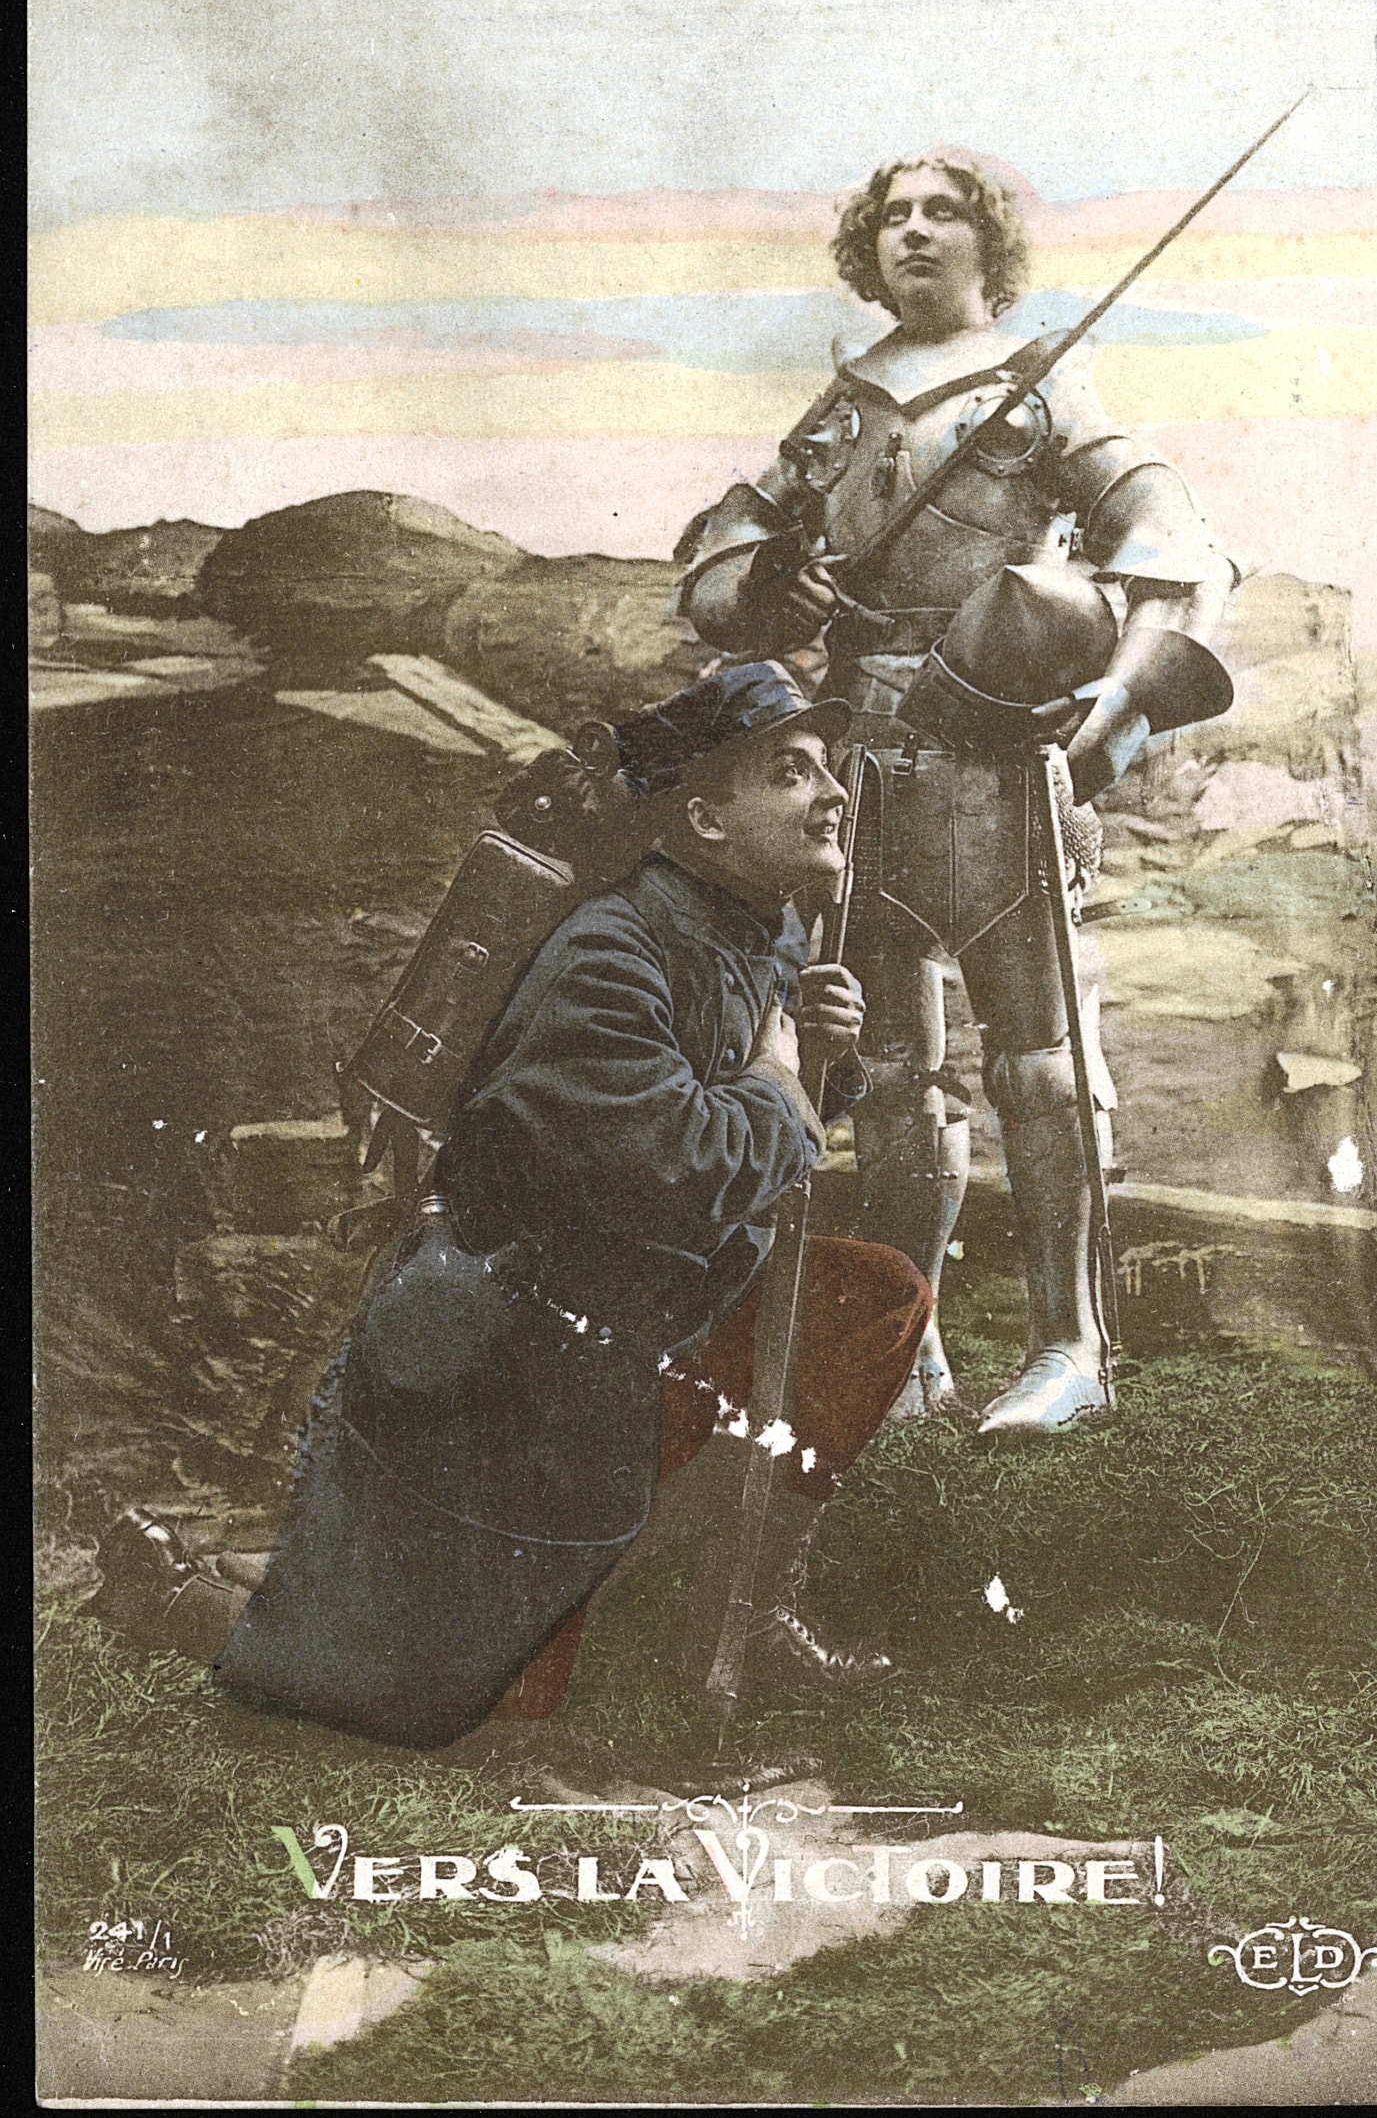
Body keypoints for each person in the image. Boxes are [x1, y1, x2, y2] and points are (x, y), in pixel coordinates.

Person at [93, 663, 931, 1752]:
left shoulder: (756, 930)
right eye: (790, 771)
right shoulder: (607, 953)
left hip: (647, 1326)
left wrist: (821, 1056)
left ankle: (745, 1606)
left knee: (872, 1295)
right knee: (473, 1710)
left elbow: (739, 1095)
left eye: (831, 770)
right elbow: (676, 1166)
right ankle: (173, 1597)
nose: (834, 795)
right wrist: (780, 1084)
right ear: (703, 818)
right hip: (509, 1375)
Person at [673, 150, 1237, 1432]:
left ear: (992, 245)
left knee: (1041, 1066)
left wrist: (1114, 698)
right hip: (853, 769)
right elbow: (716, 570)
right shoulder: (843, 403)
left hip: (993, 762)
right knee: (888, 1070)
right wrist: (776, 583)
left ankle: (1071, 1348)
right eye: (892, 217)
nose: (913, 234)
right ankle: (911, 1340)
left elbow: (1170, 536)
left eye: (943, 214)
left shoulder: (1042, 386)